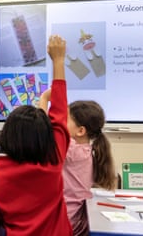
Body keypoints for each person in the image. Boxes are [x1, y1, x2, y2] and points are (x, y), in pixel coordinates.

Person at [0, 35, 73, 236]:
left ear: (8, 136)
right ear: (45, 138)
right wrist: (59, 61)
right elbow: (59, 115)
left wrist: (43, 99)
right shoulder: (52, 162)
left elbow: (56, 119)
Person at [39, 98, 115, 236]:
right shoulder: (88, 151)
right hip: (76, 223)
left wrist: (44, 99)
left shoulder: (72, 151)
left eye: (64, 120)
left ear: (80, 131)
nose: (60, 124)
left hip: (63, 224)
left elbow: (44, 132)